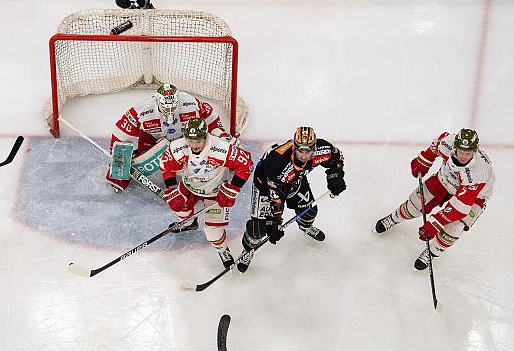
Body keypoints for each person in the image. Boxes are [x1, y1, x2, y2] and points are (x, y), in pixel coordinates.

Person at [374, 129, 495, 270]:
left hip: (475, 197)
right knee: (415, 204)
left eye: (468, 153)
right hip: (445, 180)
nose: (463, 156)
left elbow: (460, 207)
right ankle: (394, 218)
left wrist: (434, 224)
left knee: (454, 228)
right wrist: (424, 161)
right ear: (455, 146)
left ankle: (431, 253)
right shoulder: (447, 142)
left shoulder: (479, 172)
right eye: (461, 151)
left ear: (475, 151)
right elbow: (434, 148)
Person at [236, 127, 345, 273]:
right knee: (259, 228)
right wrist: (274, 221)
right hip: (265, 186)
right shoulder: (277, 163)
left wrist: (336, 174)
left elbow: (336, 157)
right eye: (301, 151)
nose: (305, 156)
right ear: (294, 148)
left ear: (314, 148)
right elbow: (275, 196)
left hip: (295, 181)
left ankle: (305, 227)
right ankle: (248, 249)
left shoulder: (322, 149)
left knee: (309, 213)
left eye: (309, 151)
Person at [159, 117, 253, 268]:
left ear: (206, 137)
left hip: (215, 192)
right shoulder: (177, 147)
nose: (194, 146)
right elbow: (166, 167)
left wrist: (233, 188)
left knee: (213, 233)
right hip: (190, 186)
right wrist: (171, 189)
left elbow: (246, 165)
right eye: (191, 141)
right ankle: (189, 223)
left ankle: (222, 250)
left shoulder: (221, 148)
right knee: (178, 206)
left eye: (198, 141)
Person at [106, 83, 231, 193]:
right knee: (143, 159)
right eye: (166, 107)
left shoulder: (190, 102)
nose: (170, 111)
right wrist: (117, 159)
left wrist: (222, 134)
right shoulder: (143, 110)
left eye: (173, 107)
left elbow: (210, 117)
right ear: (157, 102)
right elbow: (120, 132)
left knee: (206, 146)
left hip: (185, 137)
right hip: (154, 138)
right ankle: (127, 172)